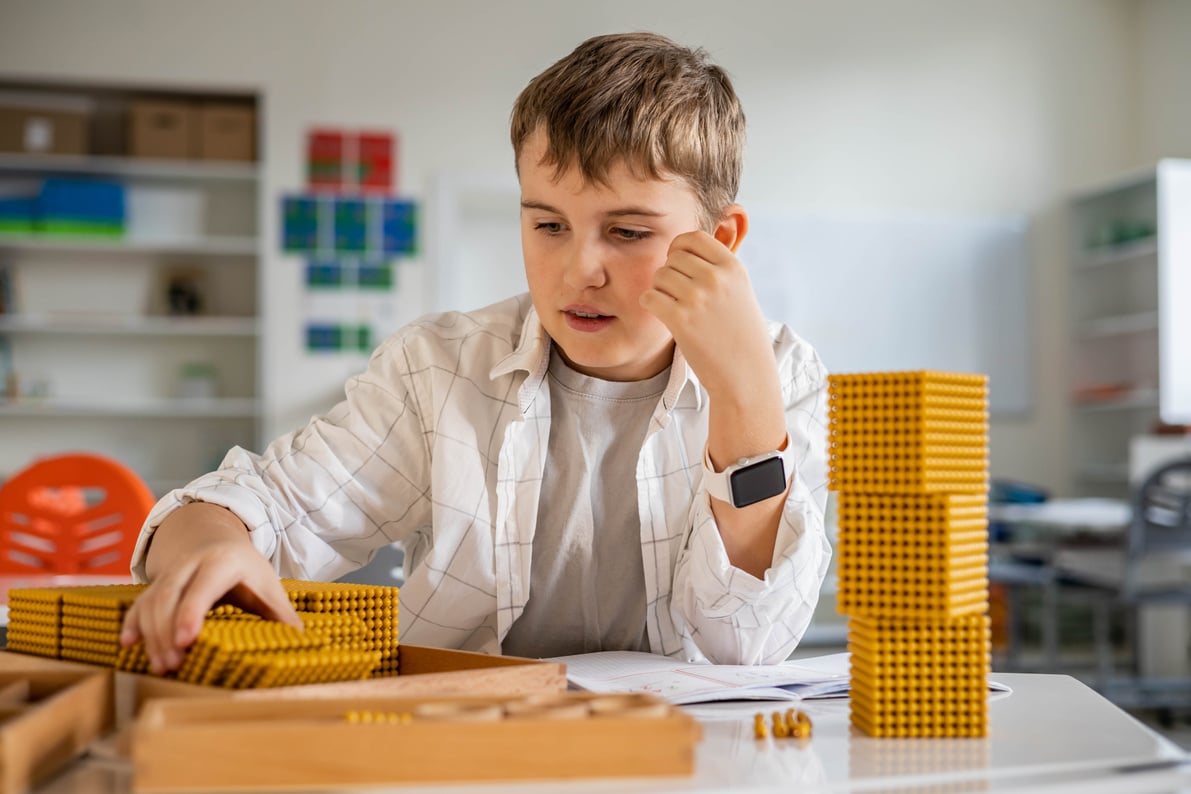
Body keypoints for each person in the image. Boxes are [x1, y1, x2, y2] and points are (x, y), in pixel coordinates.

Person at [121, 31, 831, 673]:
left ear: (720, 242)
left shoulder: (784, 380)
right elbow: (258, 508)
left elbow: (747, 645)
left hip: (692, 761)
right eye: (548, 224)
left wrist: (743, 401)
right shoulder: (437, 369)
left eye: (627, 233)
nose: (579, 268)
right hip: (465, 749)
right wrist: (208, 544)